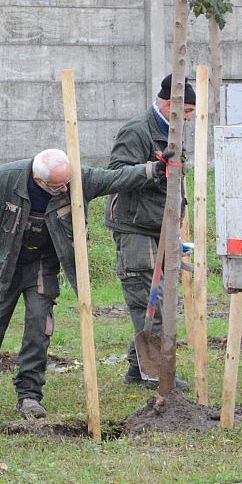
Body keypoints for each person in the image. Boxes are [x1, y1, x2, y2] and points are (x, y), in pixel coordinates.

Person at [0, 147, 164, 418]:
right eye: (58, 186)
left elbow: (116, 178)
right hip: (4, 266)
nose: (65, 189)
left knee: (39, 327)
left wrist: (152, 170)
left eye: (66, 183)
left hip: (42, 267)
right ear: (38, 180)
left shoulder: (77, 179)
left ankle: (29, 395)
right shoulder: (7, 178)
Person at [107, 75, 195, 390]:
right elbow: (116, 175)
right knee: (149, 302)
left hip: (160, 229)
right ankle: (156, 375)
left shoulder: (170, 131)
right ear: (169, 105)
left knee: (161, 300)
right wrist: (153, 168)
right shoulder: (137, 131)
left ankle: (138, 367)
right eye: (187, 111)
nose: (189, 119)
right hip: (136, 230)